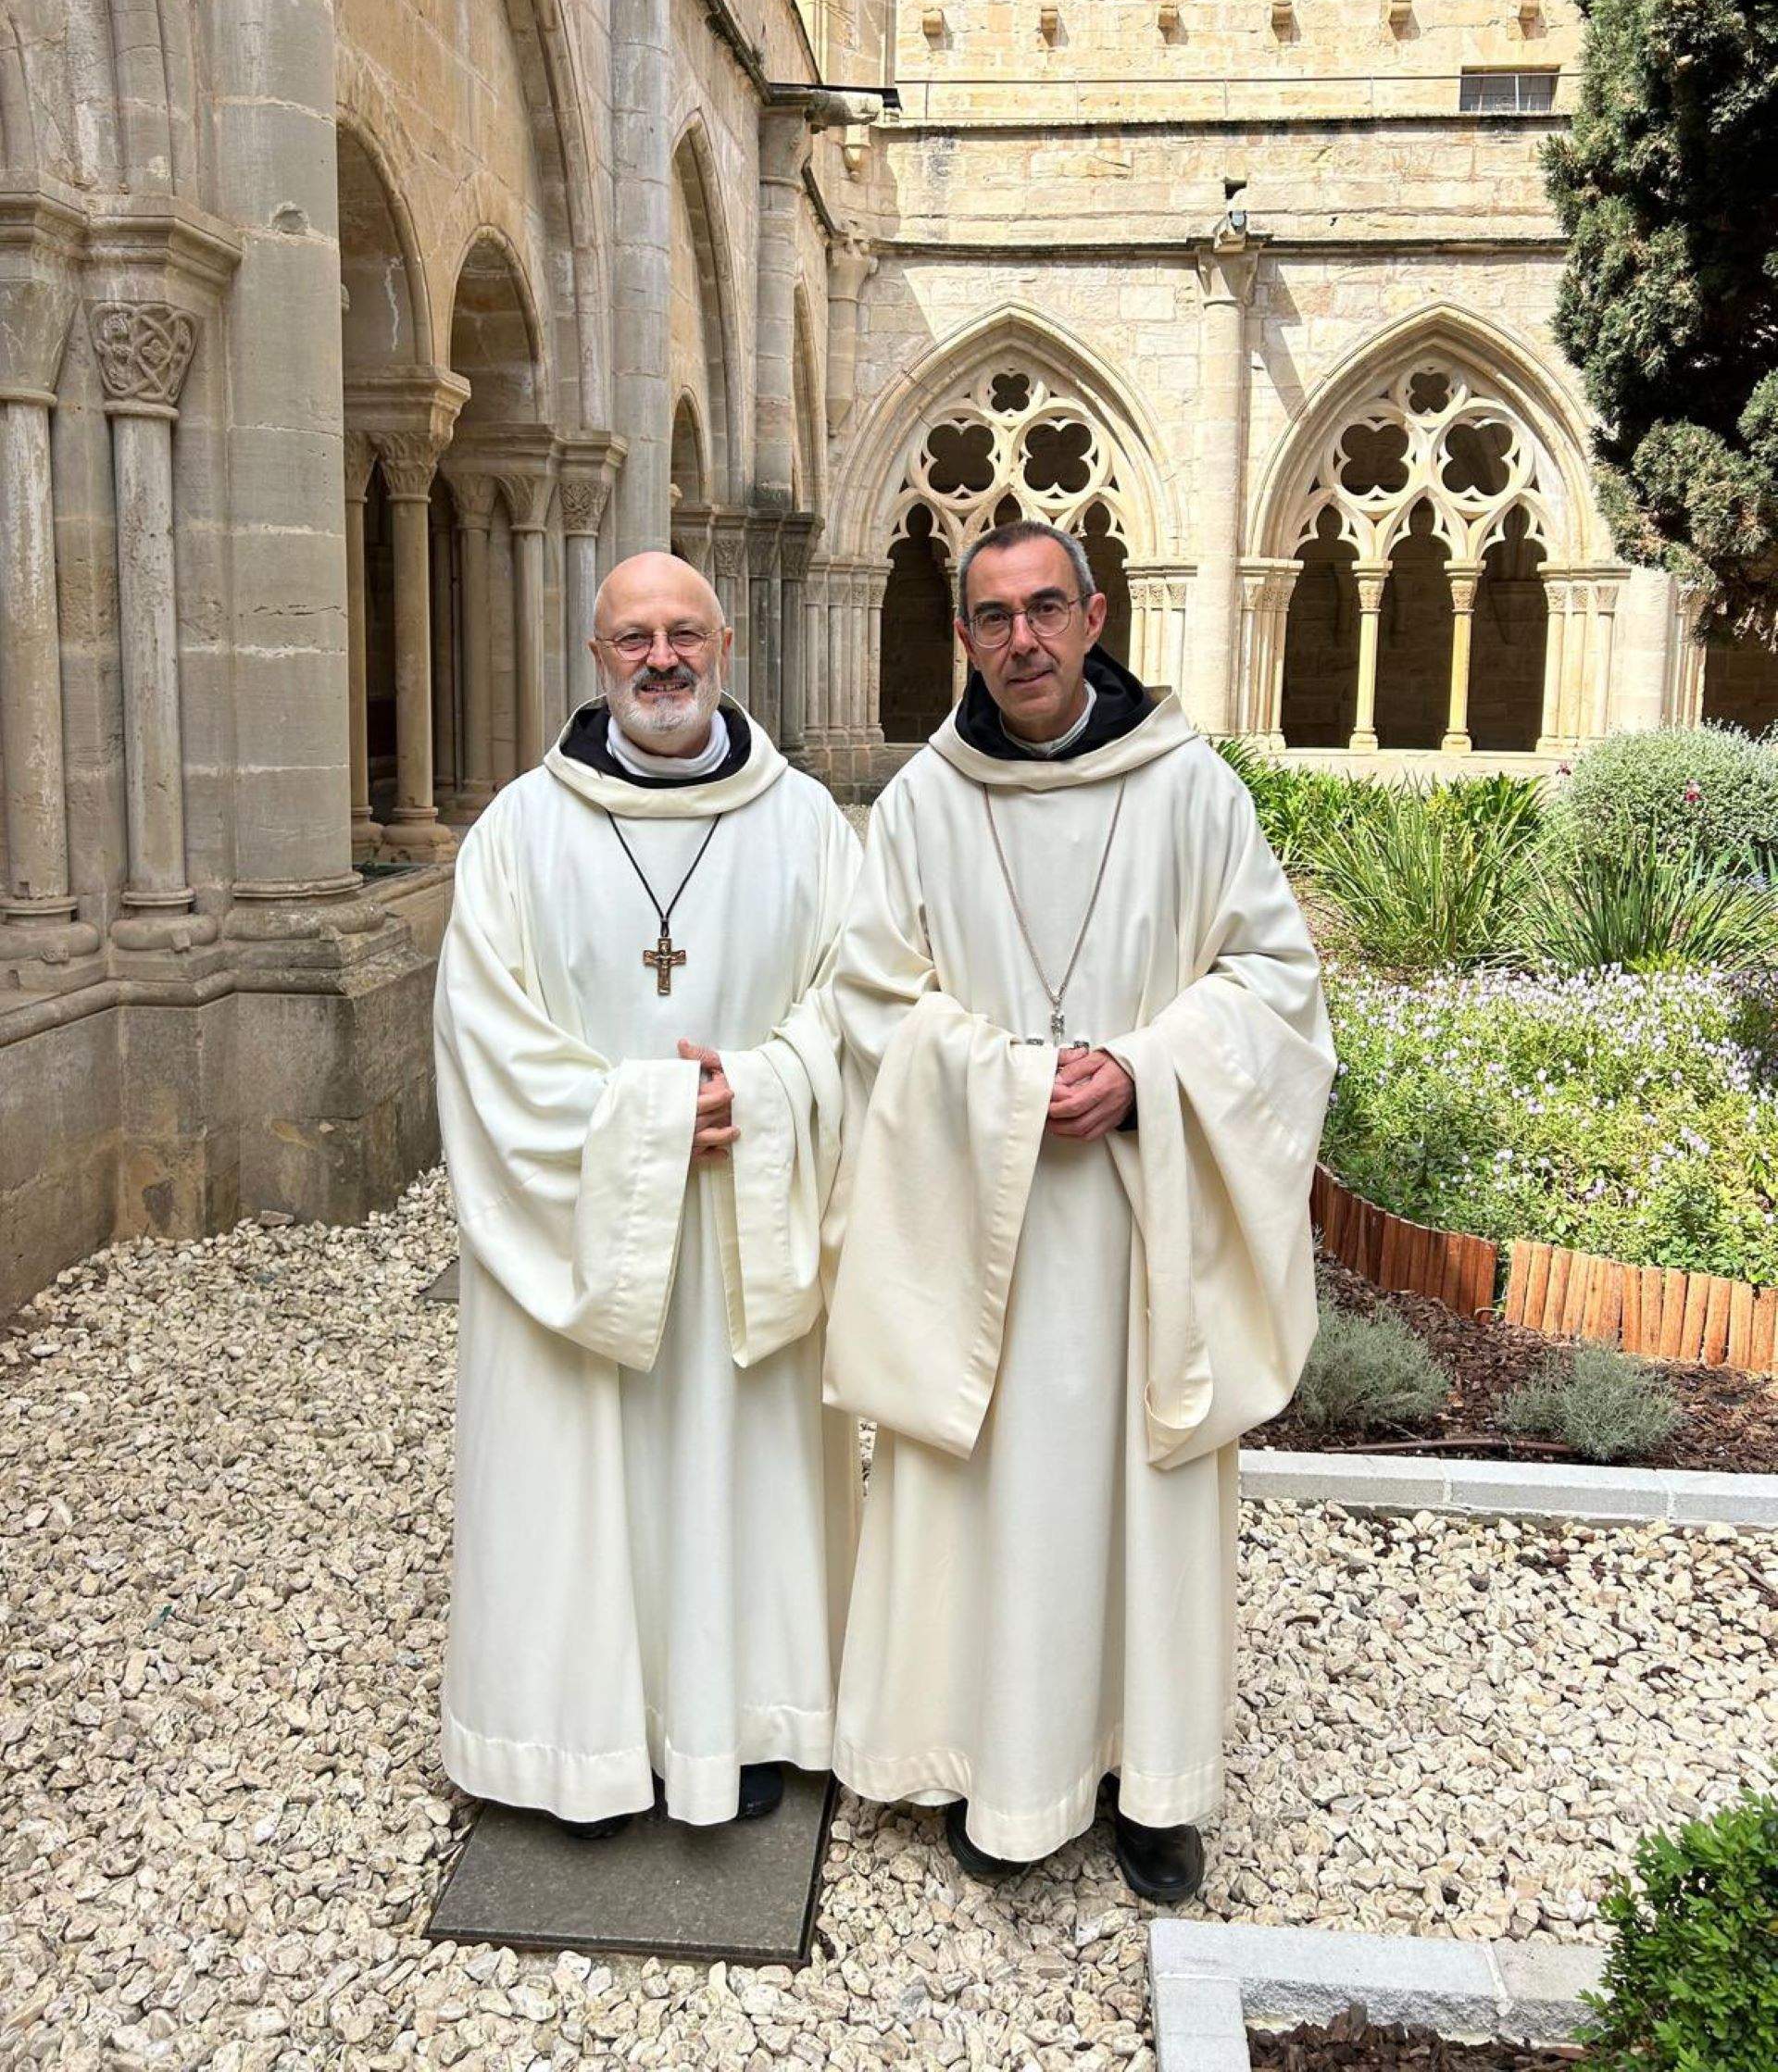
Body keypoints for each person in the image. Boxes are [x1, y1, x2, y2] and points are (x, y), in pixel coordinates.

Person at [822, 518, 1334, 1901]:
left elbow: (1279, 990)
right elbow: (869, 1004)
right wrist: (1003, 1089)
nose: (1024, 640)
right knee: (985, 1492)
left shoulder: (1192, 792)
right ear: (966, 638)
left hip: (1133, 1227)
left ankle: (1150, 1783)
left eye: (1047, 609)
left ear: (1096, 616)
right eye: (994, 617)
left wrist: (1145, 1072)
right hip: (975, 1224)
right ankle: (982, 1761)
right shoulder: (925, 803)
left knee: (1135, 1492)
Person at [433, 552, 861, 1835]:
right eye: (635, 638)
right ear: (597, 656)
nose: (661, 659)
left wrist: (771, 1089)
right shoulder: (518, 831)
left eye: (685, 633)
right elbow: (482, 1036)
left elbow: (863, 1009)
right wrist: (661, 1116)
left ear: (726, 648)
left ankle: (756, 1716)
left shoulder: (808, 828)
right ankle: (577, 1735)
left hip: (744, 1220)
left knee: (746, 1462)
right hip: (582, 1231)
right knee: (577, 1469)